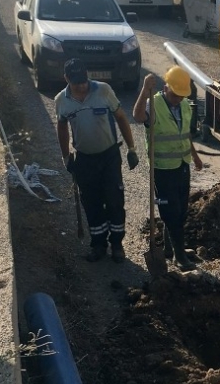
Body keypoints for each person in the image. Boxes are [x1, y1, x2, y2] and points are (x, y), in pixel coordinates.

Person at [56, 58, 139, 264]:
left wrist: (131, 148)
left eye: (83, 80)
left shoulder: (103, 90)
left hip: (109, 156)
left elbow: (121, 117)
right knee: (92, 203)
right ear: (66, 79)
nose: (81, 86)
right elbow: (62, 127)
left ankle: (117, 244)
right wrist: (65, 157)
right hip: (84, 160)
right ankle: (98, 244)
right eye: (76, 82)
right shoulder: (62, 101)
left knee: (114, 201)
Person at [133, 65, 203, 272]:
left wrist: (195, 156)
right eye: (175, 95)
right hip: (162, 169)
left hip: (182, 165)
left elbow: (185, 134)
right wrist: (144, 90)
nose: (178, 99)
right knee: (171, 211)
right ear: (166, 88)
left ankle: (169, 249)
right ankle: (180, 257)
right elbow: (137, 117)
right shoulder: (153, 104)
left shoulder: (185, 105)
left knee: (180, 209)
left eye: (181, 95)